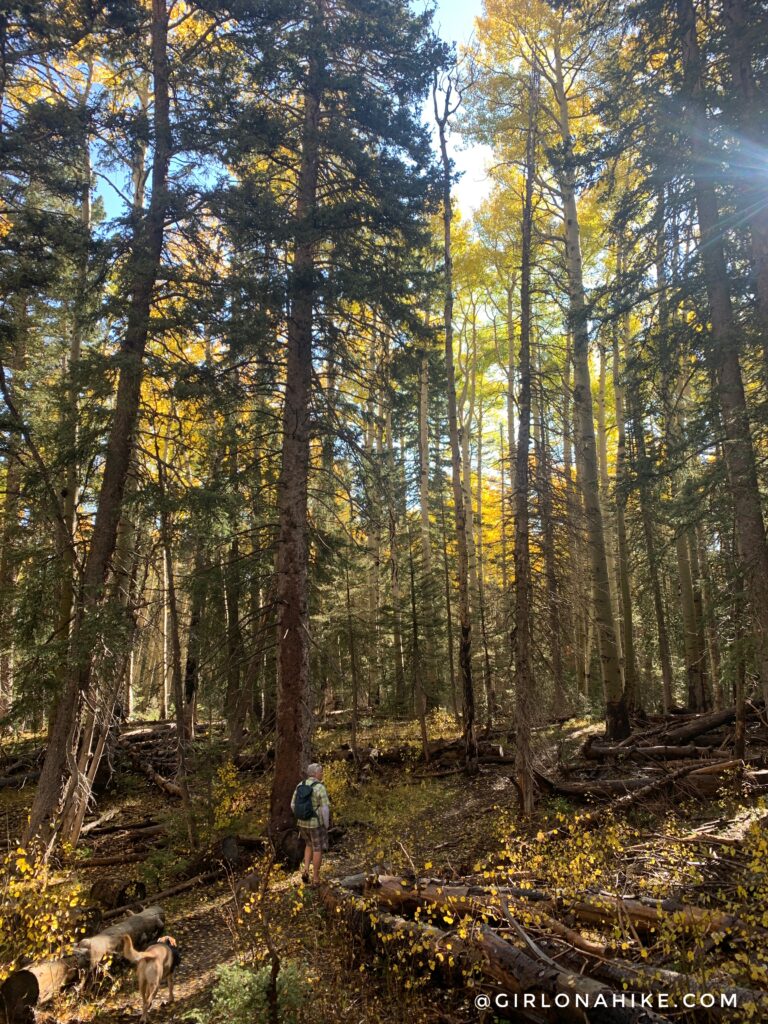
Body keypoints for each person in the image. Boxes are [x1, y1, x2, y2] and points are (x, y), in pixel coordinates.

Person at [291, 762, 330, 885]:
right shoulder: (320, 787)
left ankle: (306, 871)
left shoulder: (300, 785)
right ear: (315, 773)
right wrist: (326, 824)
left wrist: (301, 816)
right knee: (317, 848)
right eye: (321, 771)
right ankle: (316, 878)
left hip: (302, 823)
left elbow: (292, 805)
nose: (322, 773)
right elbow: (325, 808)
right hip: (315, 824)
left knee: (308, 845)